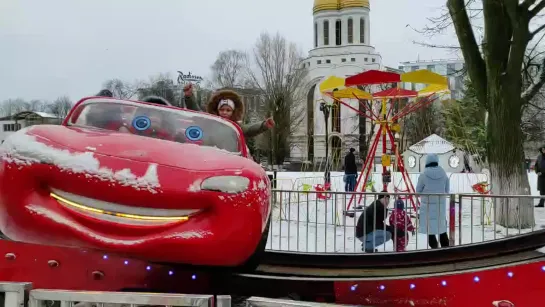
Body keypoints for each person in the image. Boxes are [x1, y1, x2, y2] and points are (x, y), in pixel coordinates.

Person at [183, 83, 275, 138]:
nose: (225, 112)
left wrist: (263, 125)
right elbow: (197, 113)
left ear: (233, 112)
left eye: (228, 110)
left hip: (229, 156)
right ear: (217, 110)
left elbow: (249, 129)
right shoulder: (210, 121)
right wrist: (189, 96)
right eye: (222, 109)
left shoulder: (235, 126)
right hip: (210, 155)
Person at [416, 154, 450, 249]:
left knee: (430, 230)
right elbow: (447, 190)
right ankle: (446, 250)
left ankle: (434, 249)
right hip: (440, 207)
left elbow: (417, 191)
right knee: (441, 229)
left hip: (427, 208)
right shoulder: (444, 174)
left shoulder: (423, 175)